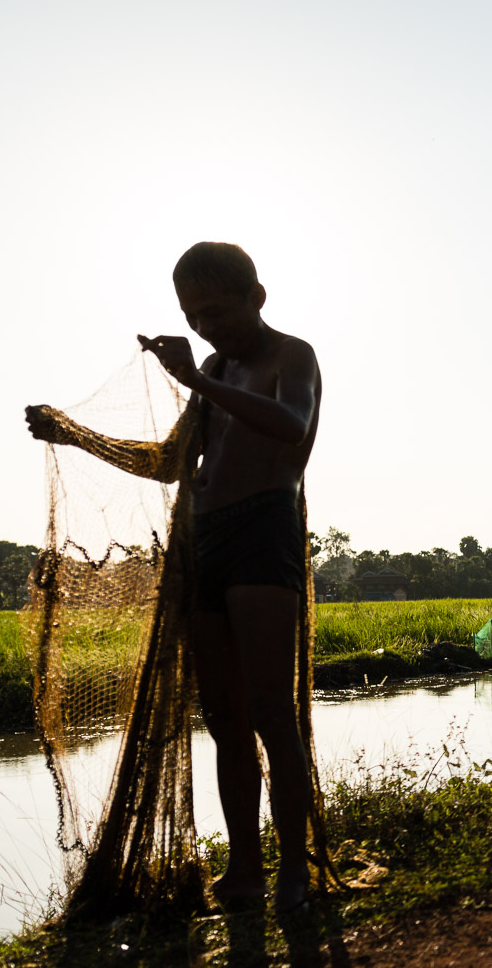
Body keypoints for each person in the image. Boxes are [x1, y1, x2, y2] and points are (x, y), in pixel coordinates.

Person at [26, 242, 323, 911]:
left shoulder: (289, 357)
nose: (205, 327)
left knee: (273, 712)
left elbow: (289, 424)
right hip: (206, 542)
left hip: (261, 530)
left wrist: (198, 382)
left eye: (216, 311)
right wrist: (76, 436)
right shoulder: (215, 366)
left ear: (258, 297)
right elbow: (169, 463)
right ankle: (244, 869)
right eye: (193, 315)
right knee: (225, 719)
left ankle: (294, 872)